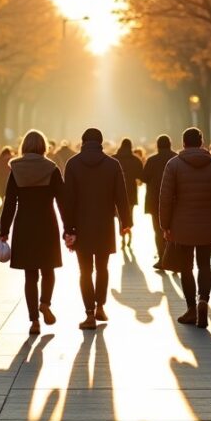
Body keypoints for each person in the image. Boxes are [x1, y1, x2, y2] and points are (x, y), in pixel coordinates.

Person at [159, 127, 211, 328]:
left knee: (186, 267)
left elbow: (165, 198)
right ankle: (204, 301)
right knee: (205, 264)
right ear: (201, 142)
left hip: (181, 224)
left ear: (183, 143)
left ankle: (191, 309)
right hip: (208, 223)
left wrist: (165, 225)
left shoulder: (173, 165)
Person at [0, 130, 69, 335]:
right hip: (47, 223)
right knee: (48, 270)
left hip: (24, 225)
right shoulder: (52, 169)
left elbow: (9, 203)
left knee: (30, 276)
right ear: (43, 146)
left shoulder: (16, 169)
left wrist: (4, 231)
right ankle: (45, 303)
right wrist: (68, 228)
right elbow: (62, 201)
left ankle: (34, 321)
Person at [63, 127, 132, 330]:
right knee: (102, 268)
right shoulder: (112, 164)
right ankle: (101, 306)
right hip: (104, 225)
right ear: (101, 142)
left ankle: (89, 314)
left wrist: (68, 229)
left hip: (80, 226)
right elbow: (121, 195)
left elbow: (68, 200)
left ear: (83, 142)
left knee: (85, 271)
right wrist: (125, 222)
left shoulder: (73, 164)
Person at [142, 135, 178, 270]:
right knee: (174, 230)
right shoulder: (177, 158)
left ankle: (162, 259)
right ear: (170, 144)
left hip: (154, 201)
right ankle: (174, 260)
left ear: (157, 145)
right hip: (175, 201)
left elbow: (144, 177)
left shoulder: (152, 160)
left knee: (158, 231)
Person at [114, 138, 144, 246]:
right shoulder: (135, 160)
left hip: (116, 194)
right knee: (129, 215)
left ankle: (122, 236)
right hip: (130, 193)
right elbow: (141, 176)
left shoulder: (114, 159)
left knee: (119, 216)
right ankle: (128, 233)